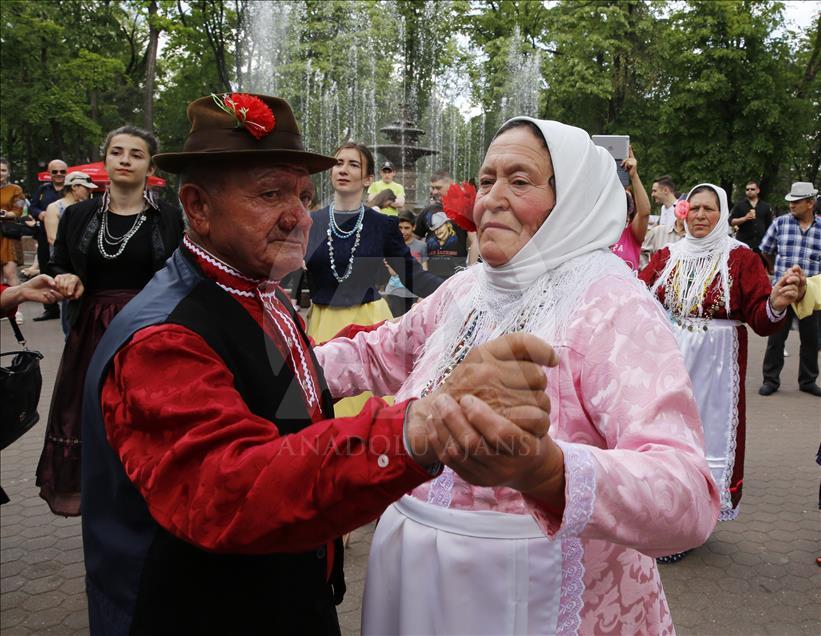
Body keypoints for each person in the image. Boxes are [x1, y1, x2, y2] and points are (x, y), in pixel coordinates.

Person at [80, 92, 552, 634]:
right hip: (203, 609)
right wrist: (419, 425)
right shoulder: (162, 339)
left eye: (304, 196)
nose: (298, 217)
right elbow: (228, 490)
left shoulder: (256, 288)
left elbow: (292, 390)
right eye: (269, 194)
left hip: (277, 588)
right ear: (198, 207)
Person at [316, 117, 719, 634]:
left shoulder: (610, 304)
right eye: (486, 181)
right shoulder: (468, 289)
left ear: (572, 197)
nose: (492, 200)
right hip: (413, 586)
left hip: (531, 599)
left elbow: (685, 493)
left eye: (520, 181)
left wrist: (548, 472)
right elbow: (377, 355)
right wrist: (264, 370)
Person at [35, 126, 184, 517]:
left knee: (147, 418)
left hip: (151, 331)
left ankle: (150, 499)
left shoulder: (168, 218)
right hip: (93, 332)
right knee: (95, 419)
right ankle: (104, 503)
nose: (124, 160)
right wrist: (66, 278)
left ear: (149, 165)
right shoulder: (78, 215)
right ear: (106, 160)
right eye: (117, 152)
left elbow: (183, 274)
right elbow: (61, 263)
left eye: (135, 154)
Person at [639, 184, 801, 543]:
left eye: (708, 209)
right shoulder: (668, 255)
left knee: (704, 439)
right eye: (694, 208)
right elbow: (639, 297)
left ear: (723, 214)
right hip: (668, 362)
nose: (699, 215)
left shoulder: (741, 258)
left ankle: (692, 521)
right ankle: (664, 512)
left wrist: (775, 301)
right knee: (665, 437)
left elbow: (761, 317)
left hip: (715, 366)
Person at [304, 141, 442, 416]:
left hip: (368, 327)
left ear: (368, 179)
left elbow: (412, 276)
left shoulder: (382, 226)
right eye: (339, 162)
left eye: (353, 164)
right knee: (320, 417)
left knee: (367, 421)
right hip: (320, 327)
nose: (343, 169)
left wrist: (458, 290)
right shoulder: (309, 222)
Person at [758, 181, 821, 397]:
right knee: (776, 339)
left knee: (811, 340)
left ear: (810, 203)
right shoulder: (780, 224)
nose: (791, 205)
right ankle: (770, 380)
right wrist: (775, 270)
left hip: (810, 294)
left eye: (796, 201)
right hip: (782, 292)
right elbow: (765, 250)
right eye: (790, 202)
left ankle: (808, 381)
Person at [42, 171, 99, 336]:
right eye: (86, 188)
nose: (90, 192)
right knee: (71, 301)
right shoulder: (55, 208)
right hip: (66, 265)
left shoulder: (91, 208)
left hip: (87, 267)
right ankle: (71, 339)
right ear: (74, 187)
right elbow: (52, 238)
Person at [28, 158, 68, 320]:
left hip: (67, 237)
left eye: (62, 171)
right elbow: (32, 206)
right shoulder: (43, 189)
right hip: (45, 236)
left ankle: (70, 308)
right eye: (55, 171)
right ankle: (50, 309)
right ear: (49, 173)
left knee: (67, 271)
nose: (59, 174)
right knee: (45, 271)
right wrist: (39, 213)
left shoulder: (71, 188)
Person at [610, 146, 651, 270]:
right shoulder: (591, 235)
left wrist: (634, 175)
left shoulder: (631, 235)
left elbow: (644, 212)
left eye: (622, 206)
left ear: (628, 212)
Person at [382, 210, 428, 317]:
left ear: (414, 227)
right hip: (395, 291)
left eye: (407, 228)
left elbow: (424, 268)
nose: (403, 231)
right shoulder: (391, 246)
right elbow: (388, 271)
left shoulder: (421, 246)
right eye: (400, 228)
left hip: (413, 292)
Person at [0, 157, 27, 293]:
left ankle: (16, 311)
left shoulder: (15, 189)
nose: (1, 173)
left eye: (3, 170)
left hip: (7, 235)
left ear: (8, 172)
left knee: (10, 275)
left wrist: (4, 214)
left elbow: (18, 211)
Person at [423, 207, 470, 278]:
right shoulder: (431, 242)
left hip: (455, 277)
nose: (437, 231)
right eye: (435, 229)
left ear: (447, 225)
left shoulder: (455, 239)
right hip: (433, 278)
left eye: (440, 227)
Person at [729, 180, 773, 254]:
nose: (749, 191)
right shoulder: (740, 205)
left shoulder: (765, 206)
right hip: (744, 243)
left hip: (760, 244)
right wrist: (744, 218)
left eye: (752, 189)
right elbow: (731, 222)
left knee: (760, 265)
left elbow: (769, 226)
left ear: (758, 190)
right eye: (747, 189)